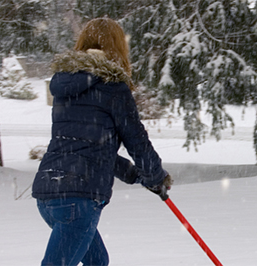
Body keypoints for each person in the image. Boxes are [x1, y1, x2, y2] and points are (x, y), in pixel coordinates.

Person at [32, 17, 172, 266]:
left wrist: (135, 174)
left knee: (97, 261)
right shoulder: (113, 87)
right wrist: (156, 176)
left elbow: (89, 146)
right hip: (79, 199)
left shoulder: (66, 86)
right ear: (117, 48)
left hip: (49, 194)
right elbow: (136, 140)